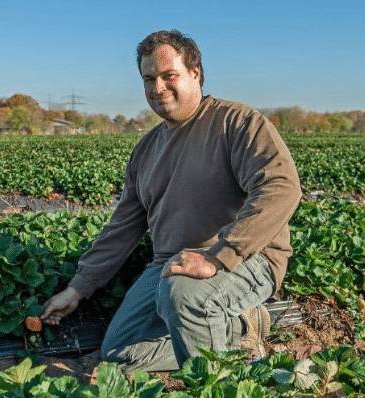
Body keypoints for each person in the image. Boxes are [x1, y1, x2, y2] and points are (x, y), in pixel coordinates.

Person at [40, 29, 302, 375]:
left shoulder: (236, 122)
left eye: (169, 76)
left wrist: (220, 256)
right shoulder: (146, 150)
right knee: (120, 350)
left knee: (185, 294)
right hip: (171, 262)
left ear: (196, 73)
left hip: (246, 259)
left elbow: (281, 186)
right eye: (149, 79)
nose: (158, 87)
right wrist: (78, 288)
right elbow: (123, 226)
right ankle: (238, 332)